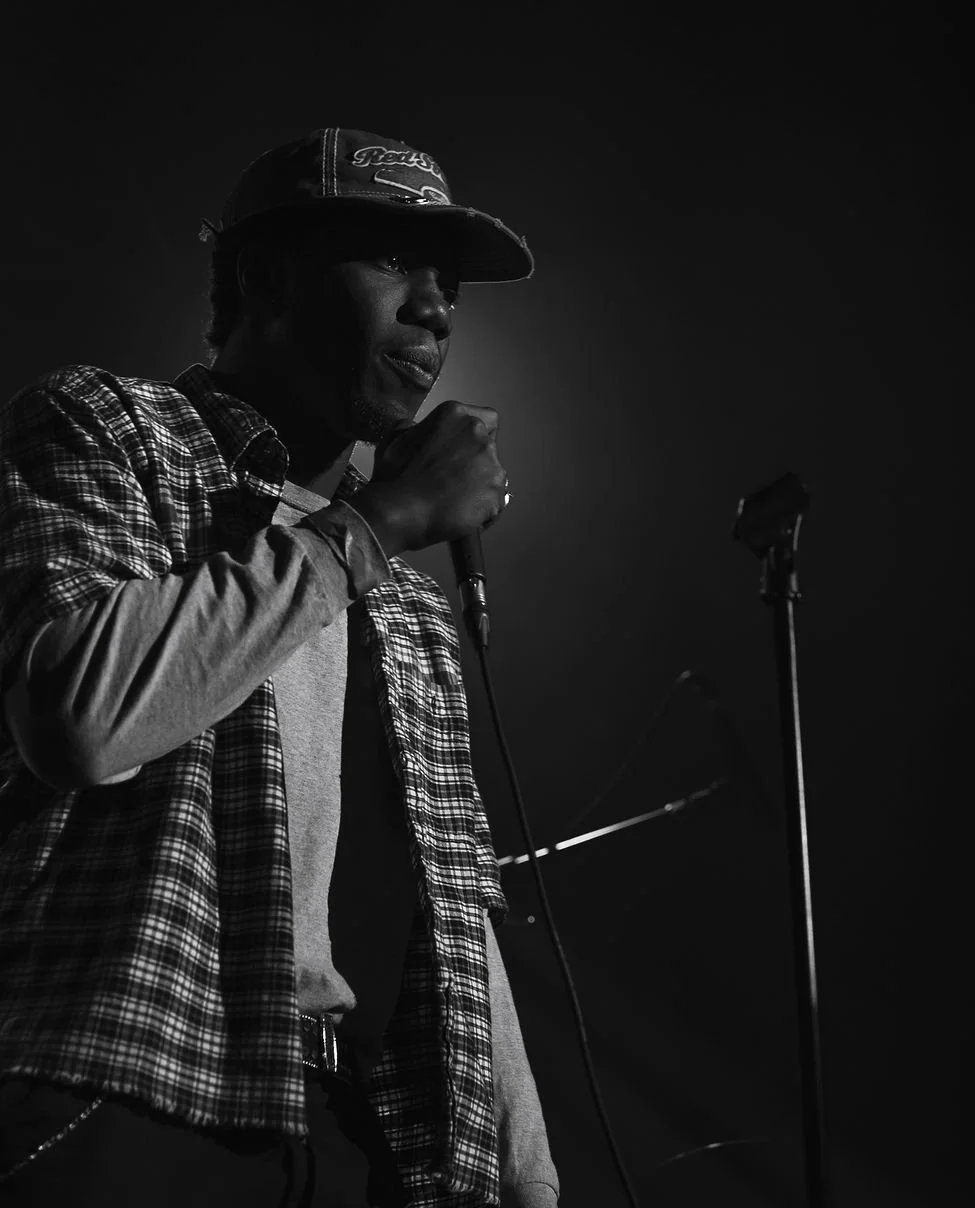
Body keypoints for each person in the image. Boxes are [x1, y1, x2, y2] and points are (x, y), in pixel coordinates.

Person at [0, 128, 559, 1207]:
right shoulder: (111, 430)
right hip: (125, 1096)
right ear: (265, 275)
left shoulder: (405, 601)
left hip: (347, 1141)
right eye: (393, 262)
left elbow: (454, 914)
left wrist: (524, 1179)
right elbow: (78, 713)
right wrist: (371, 526)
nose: (435, 310)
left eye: (448, 287)